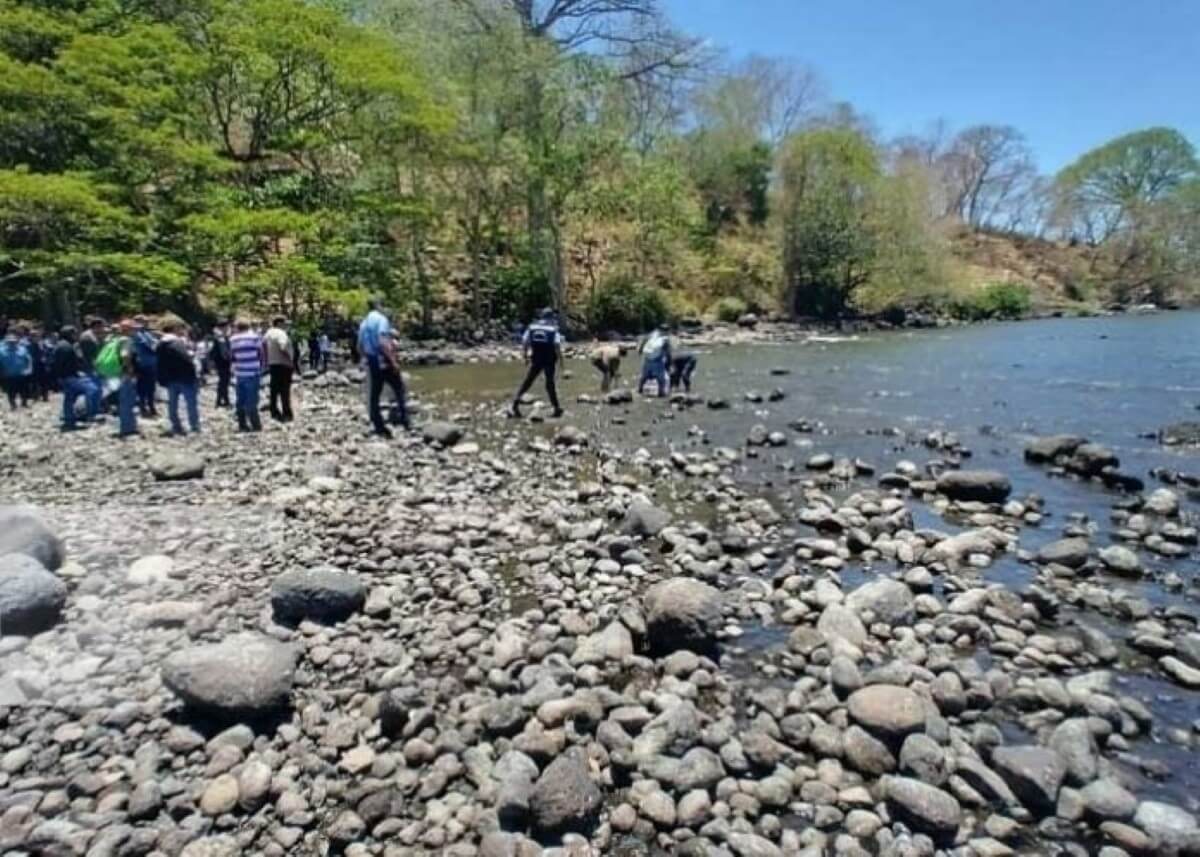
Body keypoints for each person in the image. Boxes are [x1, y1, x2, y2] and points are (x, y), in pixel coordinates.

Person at [357, 299, 409, 436]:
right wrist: (393, 361)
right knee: (399, 388)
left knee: (375, 394)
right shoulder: (381, 319)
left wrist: (366, 360)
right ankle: (404, 420)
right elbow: (383, 342)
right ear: (379, 306)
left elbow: (360, 346)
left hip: (372, 361)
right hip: (383, 359)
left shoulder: (363, 323)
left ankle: (378, 425)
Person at [509, 307, 563, 419]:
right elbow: (557, 346)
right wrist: (561, 361)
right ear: (551, 317)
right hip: (549, 359)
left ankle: (515, 403)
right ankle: (556, 408)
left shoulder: (532, 327)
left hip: (536, 358)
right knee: (549, 384)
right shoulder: (553, 329)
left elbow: (524, 342)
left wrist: (525, 356)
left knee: (528, 381)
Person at [53, 325, 100, 430]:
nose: (76, 335)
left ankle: (69, 418)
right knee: (92, 389)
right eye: (74, 333)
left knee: (69, 397)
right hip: (70, 376)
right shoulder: (67, 347)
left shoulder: (60, 345)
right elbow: (73, 361)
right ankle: (89, 414)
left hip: (65, 376)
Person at [157, 321, 200, 435]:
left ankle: (176, 426)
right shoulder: (177, 342)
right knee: (191, 403)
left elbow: (159, 363)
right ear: (174, 330)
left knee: (172, 403)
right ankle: (194, 426)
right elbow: (186, 360)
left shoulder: (160, 344)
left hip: (170, 378)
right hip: (185, 377)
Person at [230, 319, 264, 432]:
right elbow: (261, 353)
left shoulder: (233, 339)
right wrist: (262, 367)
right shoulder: (254, 337)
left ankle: (242, 424)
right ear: (248, 326)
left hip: (240, 373)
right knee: (252, 400)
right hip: (253, 372)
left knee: (240, 400)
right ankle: (256, 425)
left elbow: (232, 357)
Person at [112, 320, 139, 437]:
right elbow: (125, 355)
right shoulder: (127, 340)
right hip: (125, 374)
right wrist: (129, 370)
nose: (136, 331)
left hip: (117, 373)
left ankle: (127, 426)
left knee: (123, 400)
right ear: (128, 330)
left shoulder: (116, 339)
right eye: (134, 328)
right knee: (127, 400)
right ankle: (128, 428)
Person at [264, 316, 294, 422]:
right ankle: (287, 413)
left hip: (272, 364)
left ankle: (274, 411)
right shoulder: (281, 333)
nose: (287, 326)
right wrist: (291, 357)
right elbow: (283, 346)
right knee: (285, 390)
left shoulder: (268, 333)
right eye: (285, 324)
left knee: (274, 390)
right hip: (284, 364)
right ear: (280, 324)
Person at [132, 316, 159, 417]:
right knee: (142, 387)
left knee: (151, 386)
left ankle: (151, 406)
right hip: (143, 364)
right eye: (144, 321)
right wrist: (156, 347)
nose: (146, 323)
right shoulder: (136, 334)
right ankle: (143, 407)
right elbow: (147, 346)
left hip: (152, 363)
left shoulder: (146, 333)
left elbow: (154, 342)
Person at [637, 325, 671, 397]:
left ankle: (639, 390)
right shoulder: (665, 339)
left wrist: (640, 350)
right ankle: (661, 393)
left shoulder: (651, 335)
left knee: (644, 377)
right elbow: (667, 351)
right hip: (657, 361)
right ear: (667, 331)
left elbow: (644, 341)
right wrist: (669, 362)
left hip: (647, 359)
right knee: (661, 379)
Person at [0, 332, 32, 409]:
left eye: (14, 341)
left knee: (24, 391)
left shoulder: (23, 349)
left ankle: (24, 403)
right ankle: (13, 405)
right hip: (9, 375)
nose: (12, 343)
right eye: (10, 342)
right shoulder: (1, 351)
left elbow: (29, 359)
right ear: (7, 342)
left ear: (17, 341)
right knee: (11, 392)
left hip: (22, 375)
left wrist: (29, 369)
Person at [209, 321, 232, 408]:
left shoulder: (220, 336)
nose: (228, 328)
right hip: (223, 362)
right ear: (222, 327)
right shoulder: (220, 337)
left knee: (223, 381)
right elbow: (223, 352)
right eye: (226, 327)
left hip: (221, 362)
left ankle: (220, 400)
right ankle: (223, 400)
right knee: (224, 381)